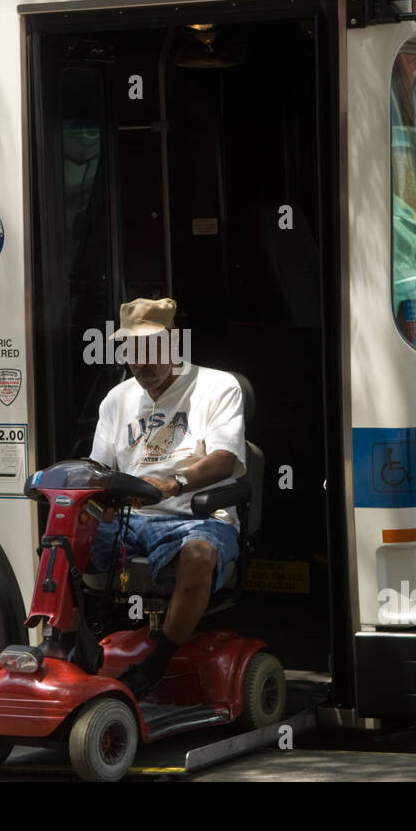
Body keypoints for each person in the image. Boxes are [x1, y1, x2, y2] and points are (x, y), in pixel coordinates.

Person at [87, 297, 246, 699]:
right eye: (130, 351)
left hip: (196, 517)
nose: (140, 362)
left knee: (197, 556)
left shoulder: (217, 386)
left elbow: (226, 460)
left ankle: (155, 665)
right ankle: (75, 653)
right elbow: (97, 470)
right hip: (130, 518)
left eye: (150, 349)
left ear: (174, 341)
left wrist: (174, 483)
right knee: (60, 544)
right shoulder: (117, 399)